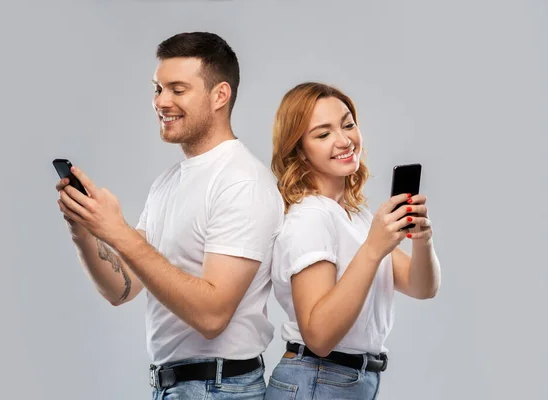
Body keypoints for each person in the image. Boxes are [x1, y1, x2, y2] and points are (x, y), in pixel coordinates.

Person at [55, 32, 284, 399]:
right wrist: (85, 230)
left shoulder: (242, 181)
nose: (161, 101)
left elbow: (212, 316)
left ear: (220, 96)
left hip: (220, 389)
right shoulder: (167, 184)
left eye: (178, 89)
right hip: (177, 387)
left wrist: (119, 232)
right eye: (157, 89)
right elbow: (123, 288)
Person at [264, 82, 441, 399]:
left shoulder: (354, 217)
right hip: (318, 378)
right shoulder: (310, 218)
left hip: (344, 381)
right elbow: (318, 336)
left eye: (348, 124)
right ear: (299, 150)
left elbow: (422, 287)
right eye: (323, 134)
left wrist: (422, 240)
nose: (344, 140)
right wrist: (373, 250)